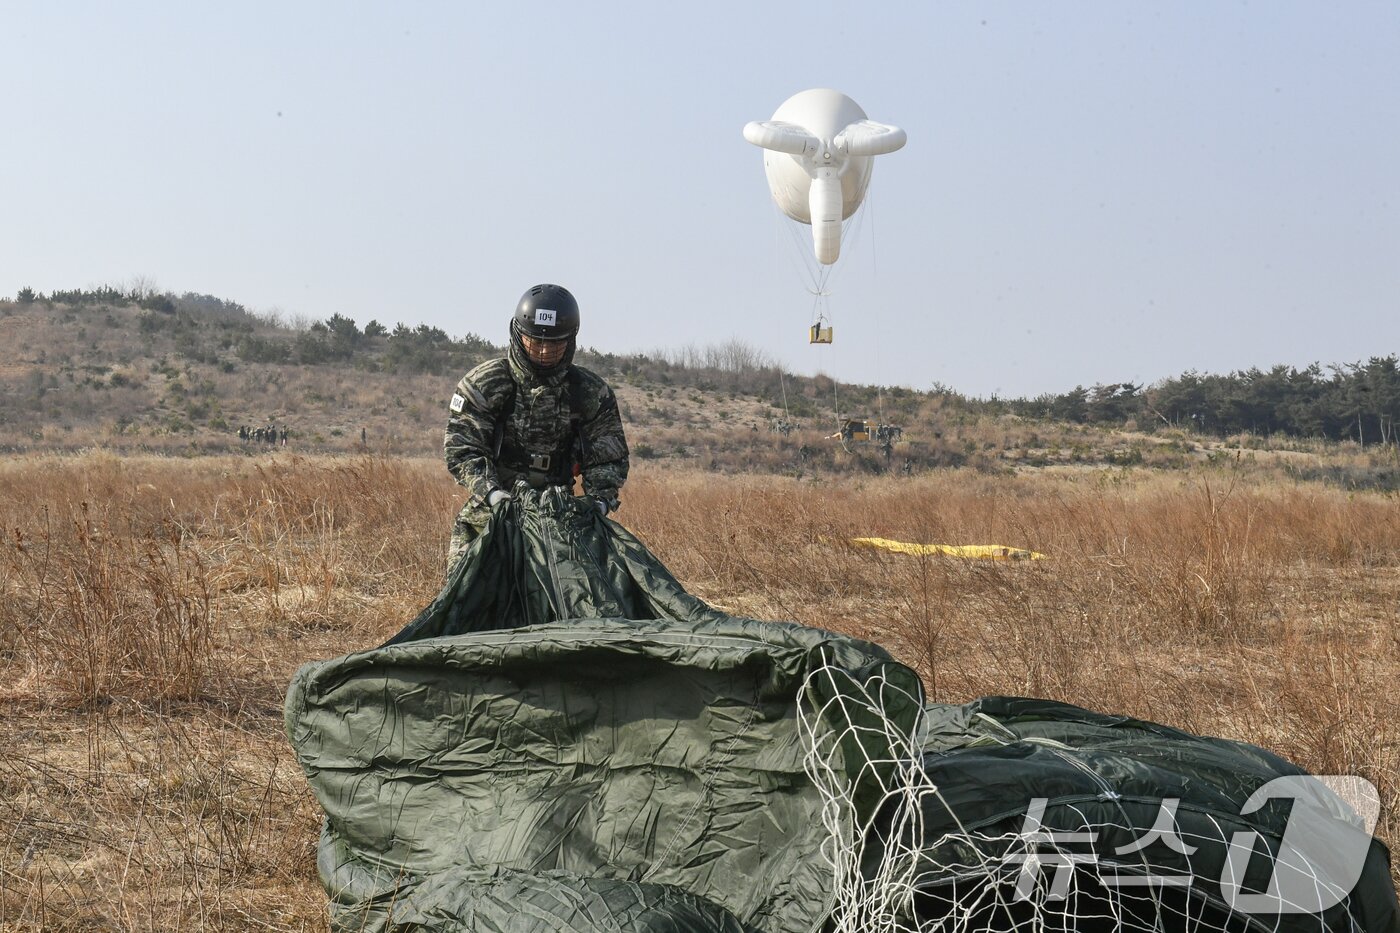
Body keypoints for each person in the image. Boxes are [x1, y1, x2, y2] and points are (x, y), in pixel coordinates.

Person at [443, 284, 629, 573]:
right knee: (468, 582)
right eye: (535, 342)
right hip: (494, 509)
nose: (543, 351)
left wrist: (597, 505)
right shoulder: (483, 385)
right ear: (518, 335)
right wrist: (491, 494)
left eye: (554, 344)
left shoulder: (591, 392)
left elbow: (608, 459)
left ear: (570, 340)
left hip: (562, 515)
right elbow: (463, 450)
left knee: (598, 583)